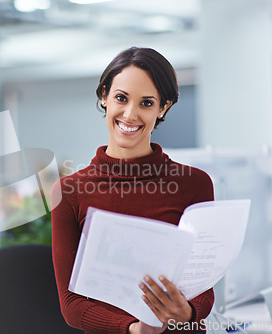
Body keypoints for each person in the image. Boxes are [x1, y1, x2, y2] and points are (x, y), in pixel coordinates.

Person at [51, 47, 215, 334]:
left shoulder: (195, 184)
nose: (130, 114)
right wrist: (133, 329)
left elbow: (203, 286)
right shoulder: (69, 191)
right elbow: (70, 303)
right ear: (104, 96)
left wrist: (187, 313)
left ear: (164, 107)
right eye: (121, 98)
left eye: (146, 103)